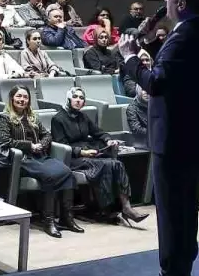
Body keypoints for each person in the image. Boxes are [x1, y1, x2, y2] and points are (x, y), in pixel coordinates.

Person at [119, 0, 199, 276]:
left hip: (173, 139)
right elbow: (174, 70)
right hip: (191, 136)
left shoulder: (181, 38)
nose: (162, 1)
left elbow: (158, 83)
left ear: (179, 2)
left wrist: (131, 59)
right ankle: (183, 275)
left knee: (170, 212)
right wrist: (148, 42)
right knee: (185, 209)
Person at [50, 86, 148, 226]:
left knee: (117, 164)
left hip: (88, 154)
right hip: (71, 158)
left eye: (81, 98)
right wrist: (81, 152)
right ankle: (106, 209)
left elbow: (99, 132)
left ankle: (126, 208)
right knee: (105, 165)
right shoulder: (58, 119)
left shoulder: (83, 117)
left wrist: (108, 139)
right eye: (75, 97)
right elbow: (61, 145)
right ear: (69, 99)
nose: (78, 100)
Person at [0, 85, 76, 239]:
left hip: (40, 156)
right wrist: (30, 145)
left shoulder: (32, 117)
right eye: (19, 96)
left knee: (67, 171)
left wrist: (42, 145)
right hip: (23, 159)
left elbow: (47, 135)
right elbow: (4, 141)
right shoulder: (5, 118)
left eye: (25, 97)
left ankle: (67, 217)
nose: (22, 100)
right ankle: (49, 221)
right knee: (50, 176)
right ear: (12, 99)